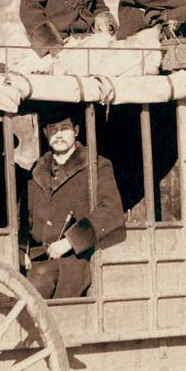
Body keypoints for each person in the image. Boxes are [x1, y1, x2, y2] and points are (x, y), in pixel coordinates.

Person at [23, 110, 124, 299]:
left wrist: (70, 241)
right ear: (45, 133)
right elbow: (22, 216)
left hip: (75, 258)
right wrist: (22, 251)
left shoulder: (96, 166)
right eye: (53, 129)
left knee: (39, 279)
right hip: (37, 256)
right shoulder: (36, 170)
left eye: (65, 128)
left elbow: (110, 209)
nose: (59, 134)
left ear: (76, 130)